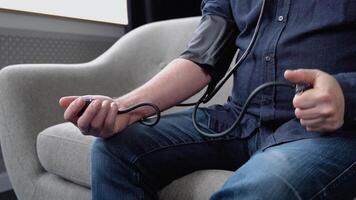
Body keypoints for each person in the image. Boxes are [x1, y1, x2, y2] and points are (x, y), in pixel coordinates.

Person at [59, 0, 356, 199]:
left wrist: (344, 93)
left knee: (267, 185)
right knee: (115, 149)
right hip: (239, 120)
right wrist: (126, 109)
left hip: (327, 131)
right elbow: (201, 58)